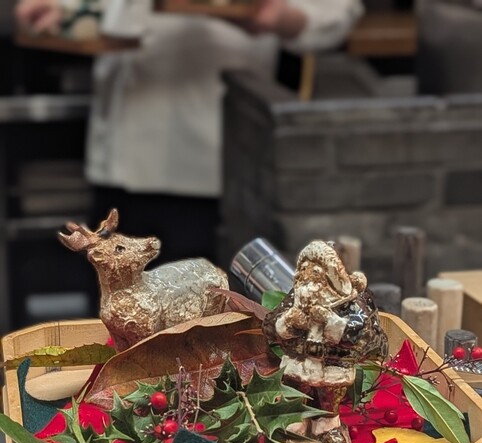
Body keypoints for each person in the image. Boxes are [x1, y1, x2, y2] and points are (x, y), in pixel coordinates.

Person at [15, 0, 363, 263]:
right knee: (114, 315)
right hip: (115, 156)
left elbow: (337, 12)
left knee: (203, 323)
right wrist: (65, 9)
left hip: (206, 166)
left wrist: (282, 16)